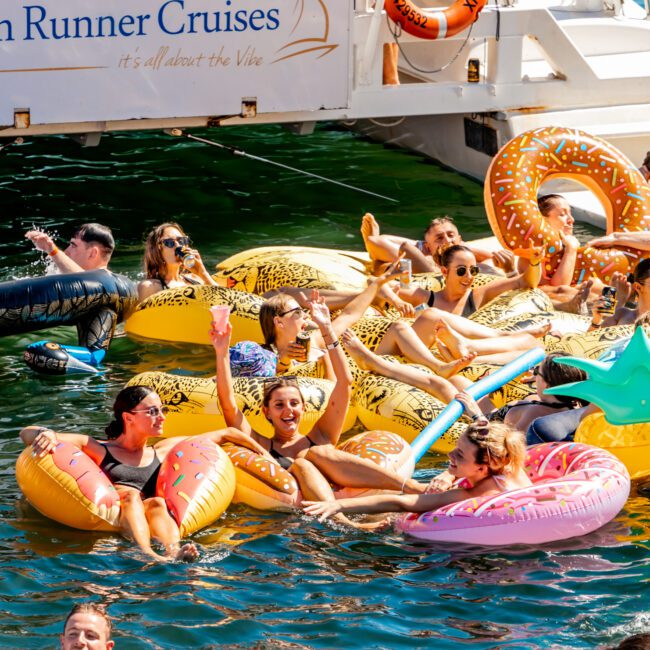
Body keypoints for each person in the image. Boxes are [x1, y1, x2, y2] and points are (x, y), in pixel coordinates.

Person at [210, 296, 430, 529]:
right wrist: (221, 352)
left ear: (303, 408)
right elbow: (228, 405)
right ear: (266, 412)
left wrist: (326, 329)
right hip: (305, 527)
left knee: (315, 454)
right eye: (279, 405)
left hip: (352, 502)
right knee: (304, 463)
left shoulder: (320, 436)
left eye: (294, 403)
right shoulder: (260, 445)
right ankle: (347, 523)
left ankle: (413, 487)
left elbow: (344, 383)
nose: (288, 411)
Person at [21, 385, 265, 562]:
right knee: (129, 495)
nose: (162, 417)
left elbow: (226, 434)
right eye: (153, 411)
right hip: (122, 513)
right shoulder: (99, 448)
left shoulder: (164, 449)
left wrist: (265, 455)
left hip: (153, 517)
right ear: (128, 418)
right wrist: (48, 433)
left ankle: (172, 552)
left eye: (163, 409)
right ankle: (146, 555)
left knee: (157, 502)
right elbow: (26, 434)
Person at [303, 417, 531, 524]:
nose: (450, 455)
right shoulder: (511, 467)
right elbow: (494, 439)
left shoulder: (470, 496)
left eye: (459, 455)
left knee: (387, 518)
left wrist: (338, 505)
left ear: (483, 467)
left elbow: (401, 503)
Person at [379, 243, 548, 366]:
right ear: (445, 272)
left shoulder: (478, 295)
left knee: (533, 346)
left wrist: (534, 262)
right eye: (461, 270)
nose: (468, 276)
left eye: (473, 270)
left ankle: (470, 357)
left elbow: (525, 281)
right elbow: (380, 285)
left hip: (469, 355)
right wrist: (397, 300)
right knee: (433, 316)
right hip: (423, 355)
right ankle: (501, 335)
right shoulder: (424, 297)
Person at [453, 351, 589, 436]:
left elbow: (503, 451)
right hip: (493, 413)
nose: (534, 376)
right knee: (457, 380)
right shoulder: (576, 408)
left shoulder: (533, 416)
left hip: (480, 422)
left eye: (537, 372)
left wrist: (476, 415)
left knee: (443, 383)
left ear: (547, 384)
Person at [361, 213, 515, 274]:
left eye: (451, 235)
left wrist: (460, 247)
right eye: (439, 238)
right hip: (424, 277)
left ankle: (375, 256)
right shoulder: (425, 257)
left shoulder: (475, 261)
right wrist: (419, 247)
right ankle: (375, 256)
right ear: (428, 247)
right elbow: (378, 241)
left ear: (460, 239)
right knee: (388, 263)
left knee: (383, 263)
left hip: (449, 280)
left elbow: (492, 257)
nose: (447, 240)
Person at [137, 222, 218, 301]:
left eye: (181, 241)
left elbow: (225, 302)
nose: (178, 246)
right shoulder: (150, 287)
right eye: (169, 242)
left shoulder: (196, 279)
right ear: (156, 250)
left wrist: (203, 274)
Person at [25, 223, 114, 273]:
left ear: (92, 253)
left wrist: (51, 249)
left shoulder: (103, 286)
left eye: (73, 245)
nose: (66, 252)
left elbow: (82, 280)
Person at [591, 258, 650, 328]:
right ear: (638, 287)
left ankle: (617, 302)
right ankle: (613, 306)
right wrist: (596, 321)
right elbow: (591, 338)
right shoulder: (622, 315)